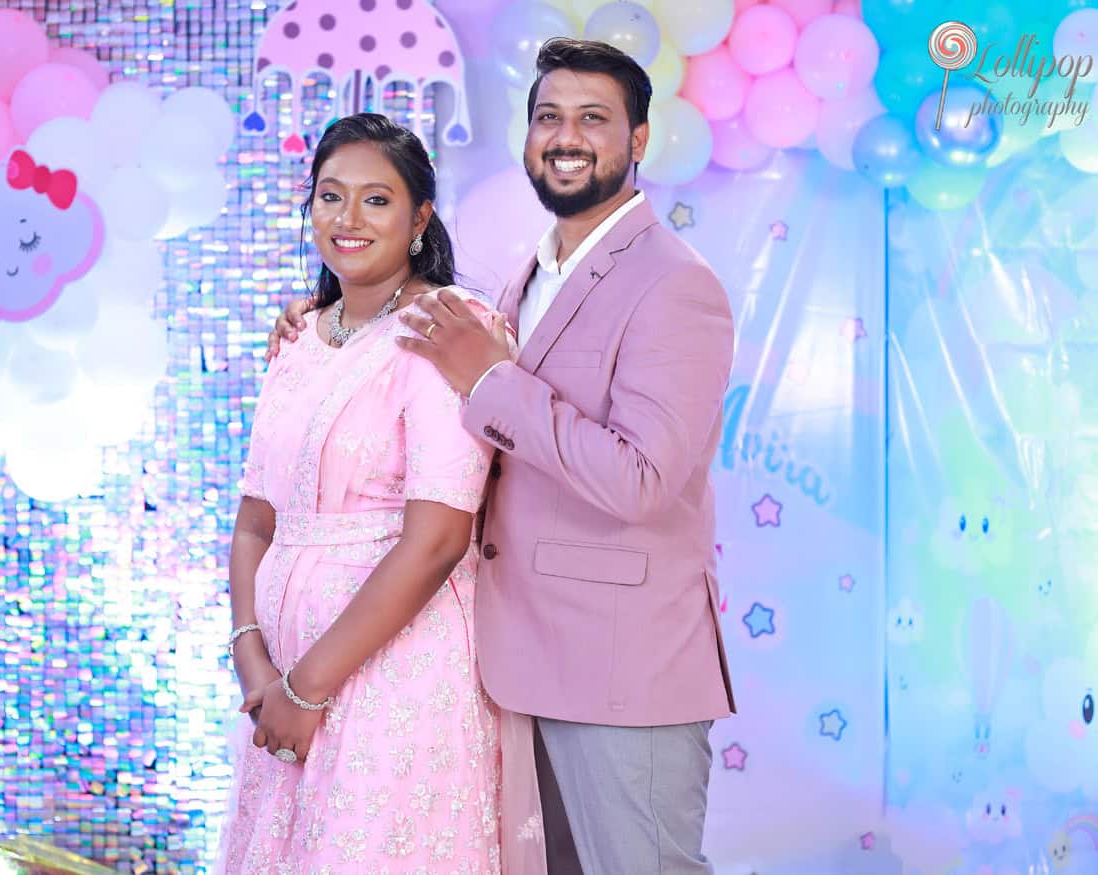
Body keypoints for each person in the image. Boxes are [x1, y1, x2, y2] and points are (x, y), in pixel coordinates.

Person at [270, 39, 736, 874]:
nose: (567, 135)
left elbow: (642, 481)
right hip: (512, 666)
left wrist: (490, 379)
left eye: (594, 118)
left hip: (622, 668)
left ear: (638, 140)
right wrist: (334, 322)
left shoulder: (674, 283)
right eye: (548, 117)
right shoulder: (535, 273)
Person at [218, 112, 523, 873]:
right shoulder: (301, 337)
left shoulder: (446, 329)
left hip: (395, 679)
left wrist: (308, 689)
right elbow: (256, 523)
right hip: (281, 689)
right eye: (331, 196)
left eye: (376, 200)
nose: (348, 219)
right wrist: (254, 661)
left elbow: (439, 539)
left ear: (420, 216)